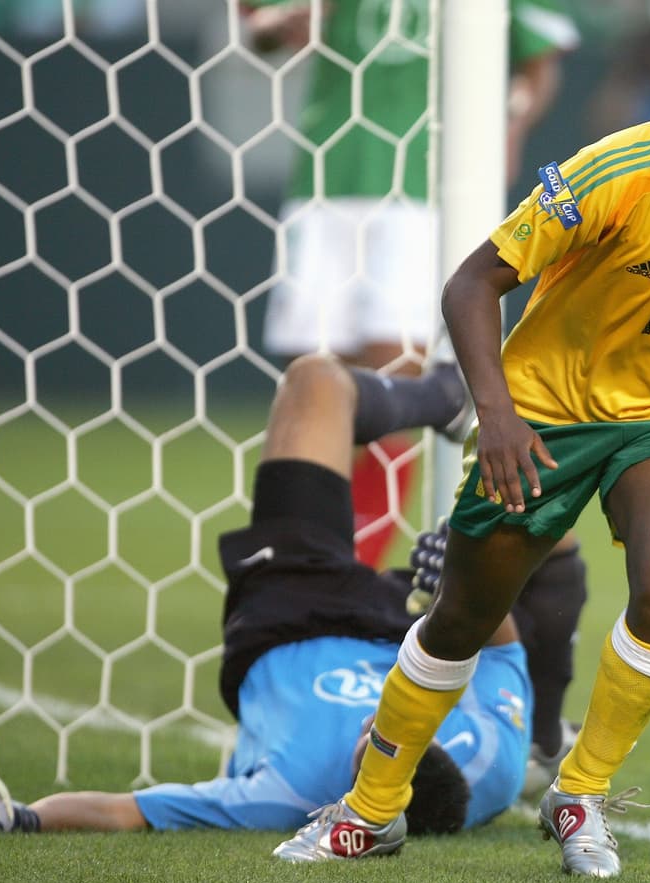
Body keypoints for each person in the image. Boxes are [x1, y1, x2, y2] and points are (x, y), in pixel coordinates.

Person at [274, 22, 650, 876]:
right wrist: (498, 415)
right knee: (461, 620)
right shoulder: (621, 171)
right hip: (547, 413)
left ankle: (579, 790)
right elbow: (472, 282)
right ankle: (373, 810)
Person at [0, 354, 588, 844]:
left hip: (290, 613)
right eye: (394, 731)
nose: (380, 717)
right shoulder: (493, 768)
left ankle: (441, 400)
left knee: (313, 384)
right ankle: (448, 400)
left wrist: (21, 819)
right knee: (544, 509)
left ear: (361, 795)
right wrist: (463, 583)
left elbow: (127, 812)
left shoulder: (288, 792)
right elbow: (503, 650)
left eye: (371, 743)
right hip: (410, 627)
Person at [244, 0, 580, 568]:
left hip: (423, 190)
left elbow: (537, 62)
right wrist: (272, 26)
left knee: (393, 379)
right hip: (325, 177)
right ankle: (302, 567)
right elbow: (260, 26)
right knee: (311, 388)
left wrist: (510, 125)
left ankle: (355, 569)